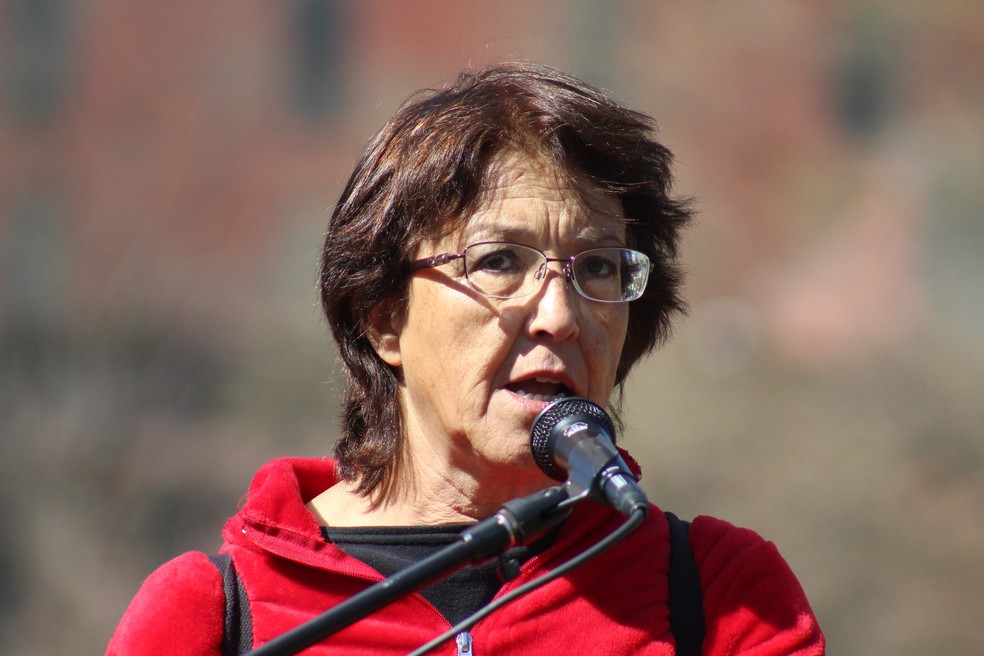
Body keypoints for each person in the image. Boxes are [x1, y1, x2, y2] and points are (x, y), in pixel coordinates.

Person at [107, 61, 825, 655]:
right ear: (384, 317)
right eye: (500, 261)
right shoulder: (215, 614)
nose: (559, 315)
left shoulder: (718, 593)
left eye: (598, 269)